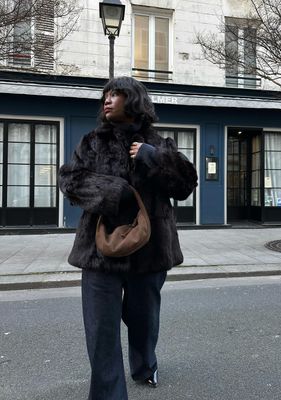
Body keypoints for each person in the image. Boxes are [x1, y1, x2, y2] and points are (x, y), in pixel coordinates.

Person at [58, 76, 198, 400]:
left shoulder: (159, 143)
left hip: (150, 251)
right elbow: (70, 180)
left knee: (143, 319)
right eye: (105, 95)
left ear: (134, 100)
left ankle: (144, 365)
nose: (106, 99)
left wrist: (152, 157)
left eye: (115, 93)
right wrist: (111, 191)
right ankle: (109, 393)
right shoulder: (92, 142)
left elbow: (185, 186)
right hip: (100, 250)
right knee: (101, 329)